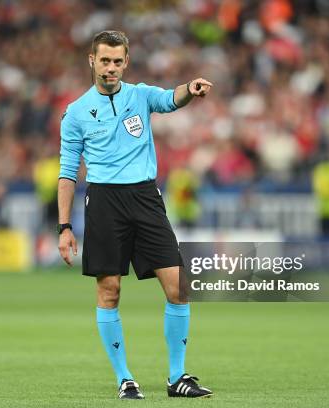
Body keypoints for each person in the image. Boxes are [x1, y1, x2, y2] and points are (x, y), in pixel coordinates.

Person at [57, 30, 213, 400]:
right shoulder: (76, 113)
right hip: (105, 202)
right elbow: (66, 173)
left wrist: (189, 88)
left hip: (145, 197)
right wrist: (64, 226)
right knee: (109, 290)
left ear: (126, 62)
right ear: (91, 60)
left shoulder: (139, 95)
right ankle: (125, 378)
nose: (110, 68)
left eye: (117, 61)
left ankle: (178, 378)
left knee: (178, 286)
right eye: (104, 60)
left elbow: (169, 99)